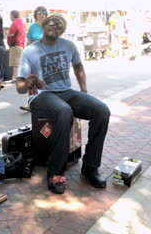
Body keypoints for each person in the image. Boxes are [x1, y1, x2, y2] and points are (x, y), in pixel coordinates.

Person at [15, 14, 110, 194]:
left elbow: (78, 66)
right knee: (64, 111)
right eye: (52, 22)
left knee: (101, 110)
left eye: (60, 24)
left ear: (62, 30)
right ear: (43, 26)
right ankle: (55, 172)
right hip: (41, 96)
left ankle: (90, 166)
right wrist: (27, 83)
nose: (55, 25)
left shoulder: (68, 45)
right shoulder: (30, 51)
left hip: (66, 92)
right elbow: (20, 87)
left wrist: (84, 91)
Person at [21, 6, 48, 111]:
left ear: (46, 14)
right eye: (39, 13)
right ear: (36, 15)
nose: (41, 14)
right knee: (32, 81)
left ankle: (48, 103)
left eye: (43, 12)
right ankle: (31, 103)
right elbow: (29, 42)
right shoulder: (32, 27)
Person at [7, 10, 26, 81]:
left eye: (10, 15)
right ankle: (17, 77)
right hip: (20, 44)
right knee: (18, 62)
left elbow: (11, 34)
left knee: (15, 63)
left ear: (12, 16)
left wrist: (6, 33)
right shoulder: (21, 22)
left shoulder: (15, 23)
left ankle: (14, 78)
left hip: (15, 45)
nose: (10, 17)